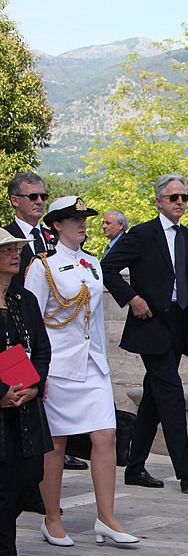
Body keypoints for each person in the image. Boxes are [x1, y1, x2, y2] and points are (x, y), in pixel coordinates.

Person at [24, 196, 138, 548]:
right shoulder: (43, 267)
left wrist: (101, 359)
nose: (82, 224)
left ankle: (107, 517)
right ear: (57, 225)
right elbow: (30, 319)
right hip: (58, 366)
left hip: (92, 364)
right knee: (55, 444)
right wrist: (34, 372)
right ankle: (53, 518)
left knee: (106, 437)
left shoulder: (91, 263)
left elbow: (97, 319)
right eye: (74, 219)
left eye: (84, 218)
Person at [101, 175, 188, 493]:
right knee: (172, 395)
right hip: (150, 327)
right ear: (159, 202)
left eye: (184, 197)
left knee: (154, 396)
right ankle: (186, 470)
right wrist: (133, 298)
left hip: (178, 327)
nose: (180, 202)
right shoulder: (141, 234)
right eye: (173, 197)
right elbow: (107, 268)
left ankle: (135, 466)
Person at [4, 173, 81, 475]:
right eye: (32, 197)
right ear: (14, 200)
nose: (39, 202)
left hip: (48, 340)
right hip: (14, 333)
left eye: (43, 197)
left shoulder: (51, 238)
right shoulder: (6, 236)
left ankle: (38, 477)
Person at [0, 229, 51, 556]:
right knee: (2, 485)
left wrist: (33, 386)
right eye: (6, 250)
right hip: (1, 404)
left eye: (16, 249)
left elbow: (43, 351)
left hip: (25, 407)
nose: (15, 254)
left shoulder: (24, 299)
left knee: (29, 476)